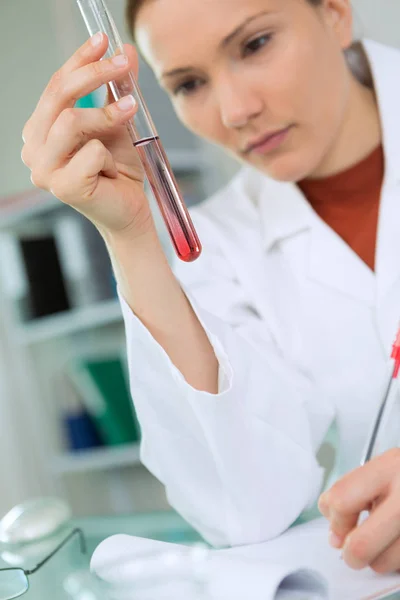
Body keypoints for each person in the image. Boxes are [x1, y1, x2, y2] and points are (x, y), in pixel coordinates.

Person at [21, 0, 400, 574]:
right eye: (189, 82)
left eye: (254, 44)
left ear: (335, 13)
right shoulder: (219, 245)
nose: (236, 110)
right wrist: (131, 238)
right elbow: (246, 510)